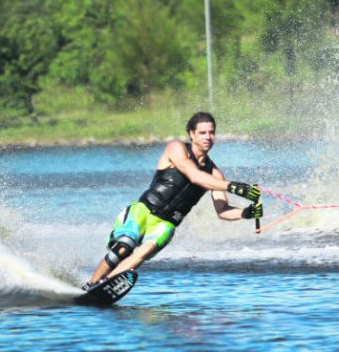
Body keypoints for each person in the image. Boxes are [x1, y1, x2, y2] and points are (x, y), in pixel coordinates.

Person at [83, 111, 263, 290]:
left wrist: (246, 213)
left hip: (166, 224)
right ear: (192, 134)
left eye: (211, 132)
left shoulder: (215, 174)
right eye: (202, 132)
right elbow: (193, 175)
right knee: (123, 248)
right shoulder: (176, 148)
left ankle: (103, 287)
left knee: (143, 252)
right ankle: (91, 284)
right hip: (143, 211)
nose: (208, 137)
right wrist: (232, 186)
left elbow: (223, 210)